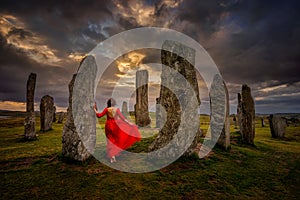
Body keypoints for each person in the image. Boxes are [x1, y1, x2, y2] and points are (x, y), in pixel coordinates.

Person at [94, 98, 141, 163]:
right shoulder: (117, 110)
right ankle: (114, 153)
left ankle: (112, 156)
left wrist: (95, 110)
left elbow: (99, 116)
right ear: (114, 103)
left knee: (110, 140)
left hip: (108, 125)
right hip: (116, 126)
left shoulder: (106, 109)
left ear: (108, 103)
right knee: (116, 140)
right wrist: (130, 124)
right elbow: (123, 119)